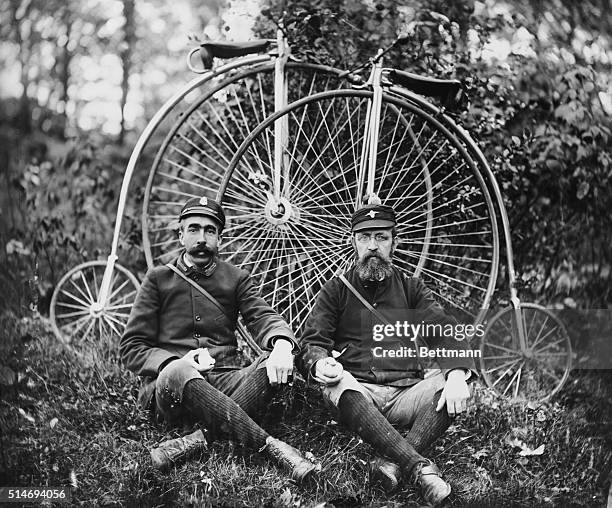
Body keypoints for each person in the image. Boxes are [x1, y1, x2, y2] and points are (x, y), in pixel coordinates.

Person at [120, 196, 316, 481]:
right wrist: (178, 361)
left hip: (226, 380)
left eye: (210, 231)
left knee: (269, 365)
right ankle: (272, 447)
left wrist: (283, 346)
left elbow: (263, 317)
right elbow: (131, 347)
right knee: (178, 370)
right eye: (194, 229)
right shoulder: (158, 278)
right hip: (174, 389)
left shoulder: (235, 278)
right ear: (180, 235)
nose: (202, 238)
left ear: (219, 239)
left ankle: (198, 440)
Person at [297, 203, 477, 505]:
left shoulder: (411, 288)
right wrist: (319, 363)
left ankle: (392, 462)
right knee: (338, 385)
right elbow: (312, 341)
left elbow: (442, 330)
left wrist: (457, 372)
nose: (372, 246)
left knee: (460, 382)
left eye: (380, 237)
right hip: (358, 391)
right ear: (352, 241)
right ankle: (418, 467)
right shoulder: (336, 290)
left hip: (406, 392)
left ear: (395, 241)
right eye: (364, 238)